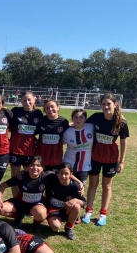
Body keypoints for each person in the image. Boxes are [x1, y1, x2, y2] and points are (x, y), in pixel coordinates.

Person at [82, 93, 129, 226]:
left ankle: (103, 214)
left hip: (111, 158)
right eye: (103, 104)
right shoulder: (96, 117)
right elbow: (81, 124)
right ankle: (88, 212)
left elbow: (124, 143)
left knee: (107, 186)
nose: (106, 106)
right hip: (95, 156)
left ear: (115, 104)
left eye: (108, 103)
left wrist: (122, 162)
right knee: (92, 185)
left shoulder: (121, 122)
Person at [9, 91, 43, 195]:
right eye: (24, 100)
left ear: (34, 100)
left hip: (30, 151)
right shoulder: (15, 111)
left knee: (30, 176)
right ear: (21, 101)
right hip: (15, 150)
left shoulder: (38, 114)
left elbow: (45, 126)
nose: (27, 102)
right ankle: (16, 200)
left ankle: (26, 199)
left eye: (29, 100)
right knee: (15, 177)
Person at [45, 163, 86, 240]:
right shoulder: (53, 180)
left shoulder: (75, 186)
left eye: (66, 174)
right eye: (61, 173)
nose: (63, 176)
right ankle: (59, 219)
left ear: (71, 174)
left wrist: (76, 199)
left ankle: (69, 228)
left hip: (67, 209)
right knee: (55, 228)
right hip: (54, 208)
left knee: (77, 206)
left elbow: (84, 203)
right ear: (57, 173)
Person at [36, 100, 69, 172]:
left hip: (56, 158)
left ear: (58, 107)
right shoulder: (41, 121)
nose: (50, 109)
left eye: (52, 107)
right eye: (47, 108)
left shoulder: (64, 122)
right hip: (41, 157)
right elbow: (33, 133)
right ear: (44, 110)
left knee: (53, 180)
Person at [63, 109, 94, 184]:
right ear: (72, 119)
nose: (78, 119)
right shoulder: (67, 132)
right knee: (67, 188)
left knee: (79, 190)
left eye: (81, 117)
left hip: (84, 166)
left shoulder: (91, 127)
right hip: (69, 165)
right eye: (75, 117)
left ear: (85, 119)